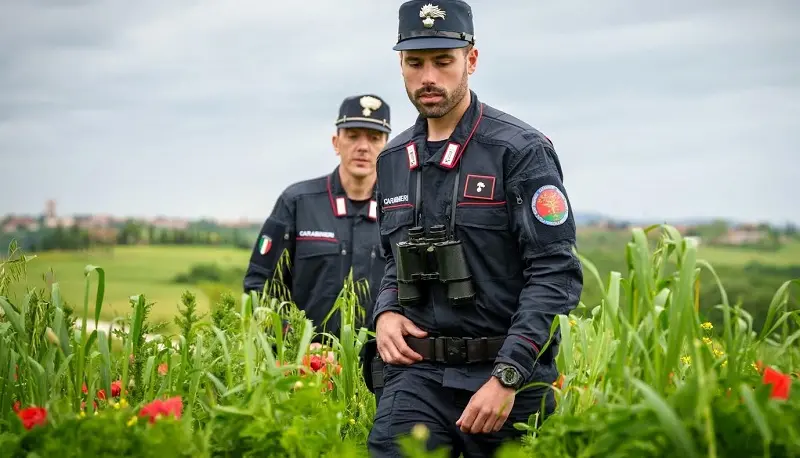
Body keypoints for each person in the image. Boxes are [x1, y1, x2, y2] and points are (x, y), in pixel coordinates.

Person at [365, 1, 584, 456]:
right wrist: (385, 312)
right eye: (415, 62)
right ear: (401, 65)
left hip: (504, 378)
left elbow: (555, 274)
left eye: (443, 61)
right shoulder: (392, 160)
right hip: (416, 376)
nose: (429, 77)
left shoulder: (519, 151)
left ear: (472, 60)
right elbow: (393, 260)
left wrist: (508, 376)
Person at [243, 94, 392, 342]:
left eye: (374, 138)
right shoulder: (297, 202)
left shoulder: (402, 209)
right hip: (304, 369)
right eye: (353, 136)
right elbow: (259, 286)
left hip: (380, 370)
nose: (363, 147)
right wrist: (291, 343)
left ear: (386, 146)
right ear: (336, 143)